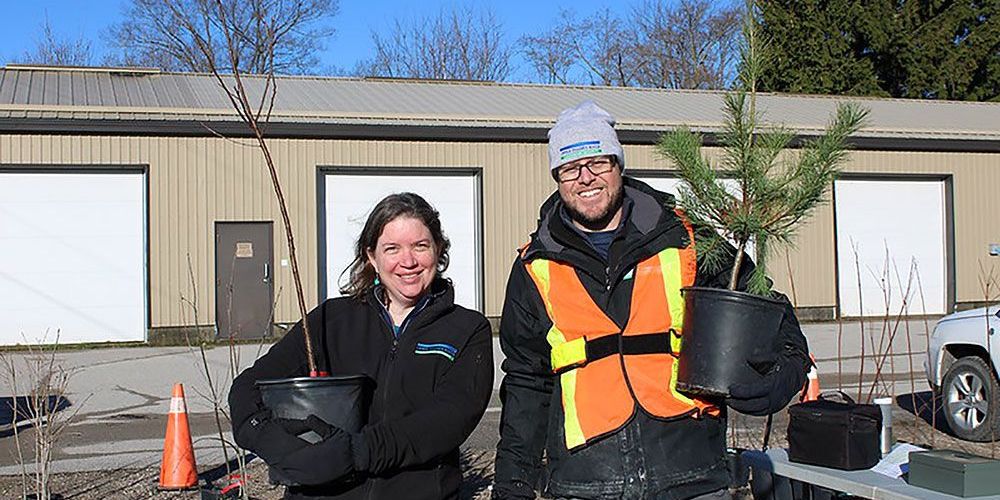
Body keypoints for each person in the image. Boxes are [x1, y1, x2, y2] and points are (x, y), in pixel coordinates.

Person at [492, 101, 811, 500]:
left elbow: (767, 303)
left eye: (598, 162)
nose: (586, 177)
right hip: (587, 483)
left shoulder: (685, 239)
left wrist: (787, 367)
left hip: (692, 476)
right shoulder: (534, 265)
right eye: (571, 167)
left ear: (618, 165)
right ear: (557, 177)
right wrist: (512, 484)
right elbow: (526, 381)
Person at [230, 192, 494, 500]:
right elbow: (249, 387)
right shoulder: (332, 319)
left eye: (420, 246)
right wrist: (277, 445)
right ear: (371, 256)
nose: (407, 261)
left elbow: (448, 420)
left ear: (438, 250)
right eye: (391, 248)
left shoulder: (467, 330)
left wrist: (356, 452)